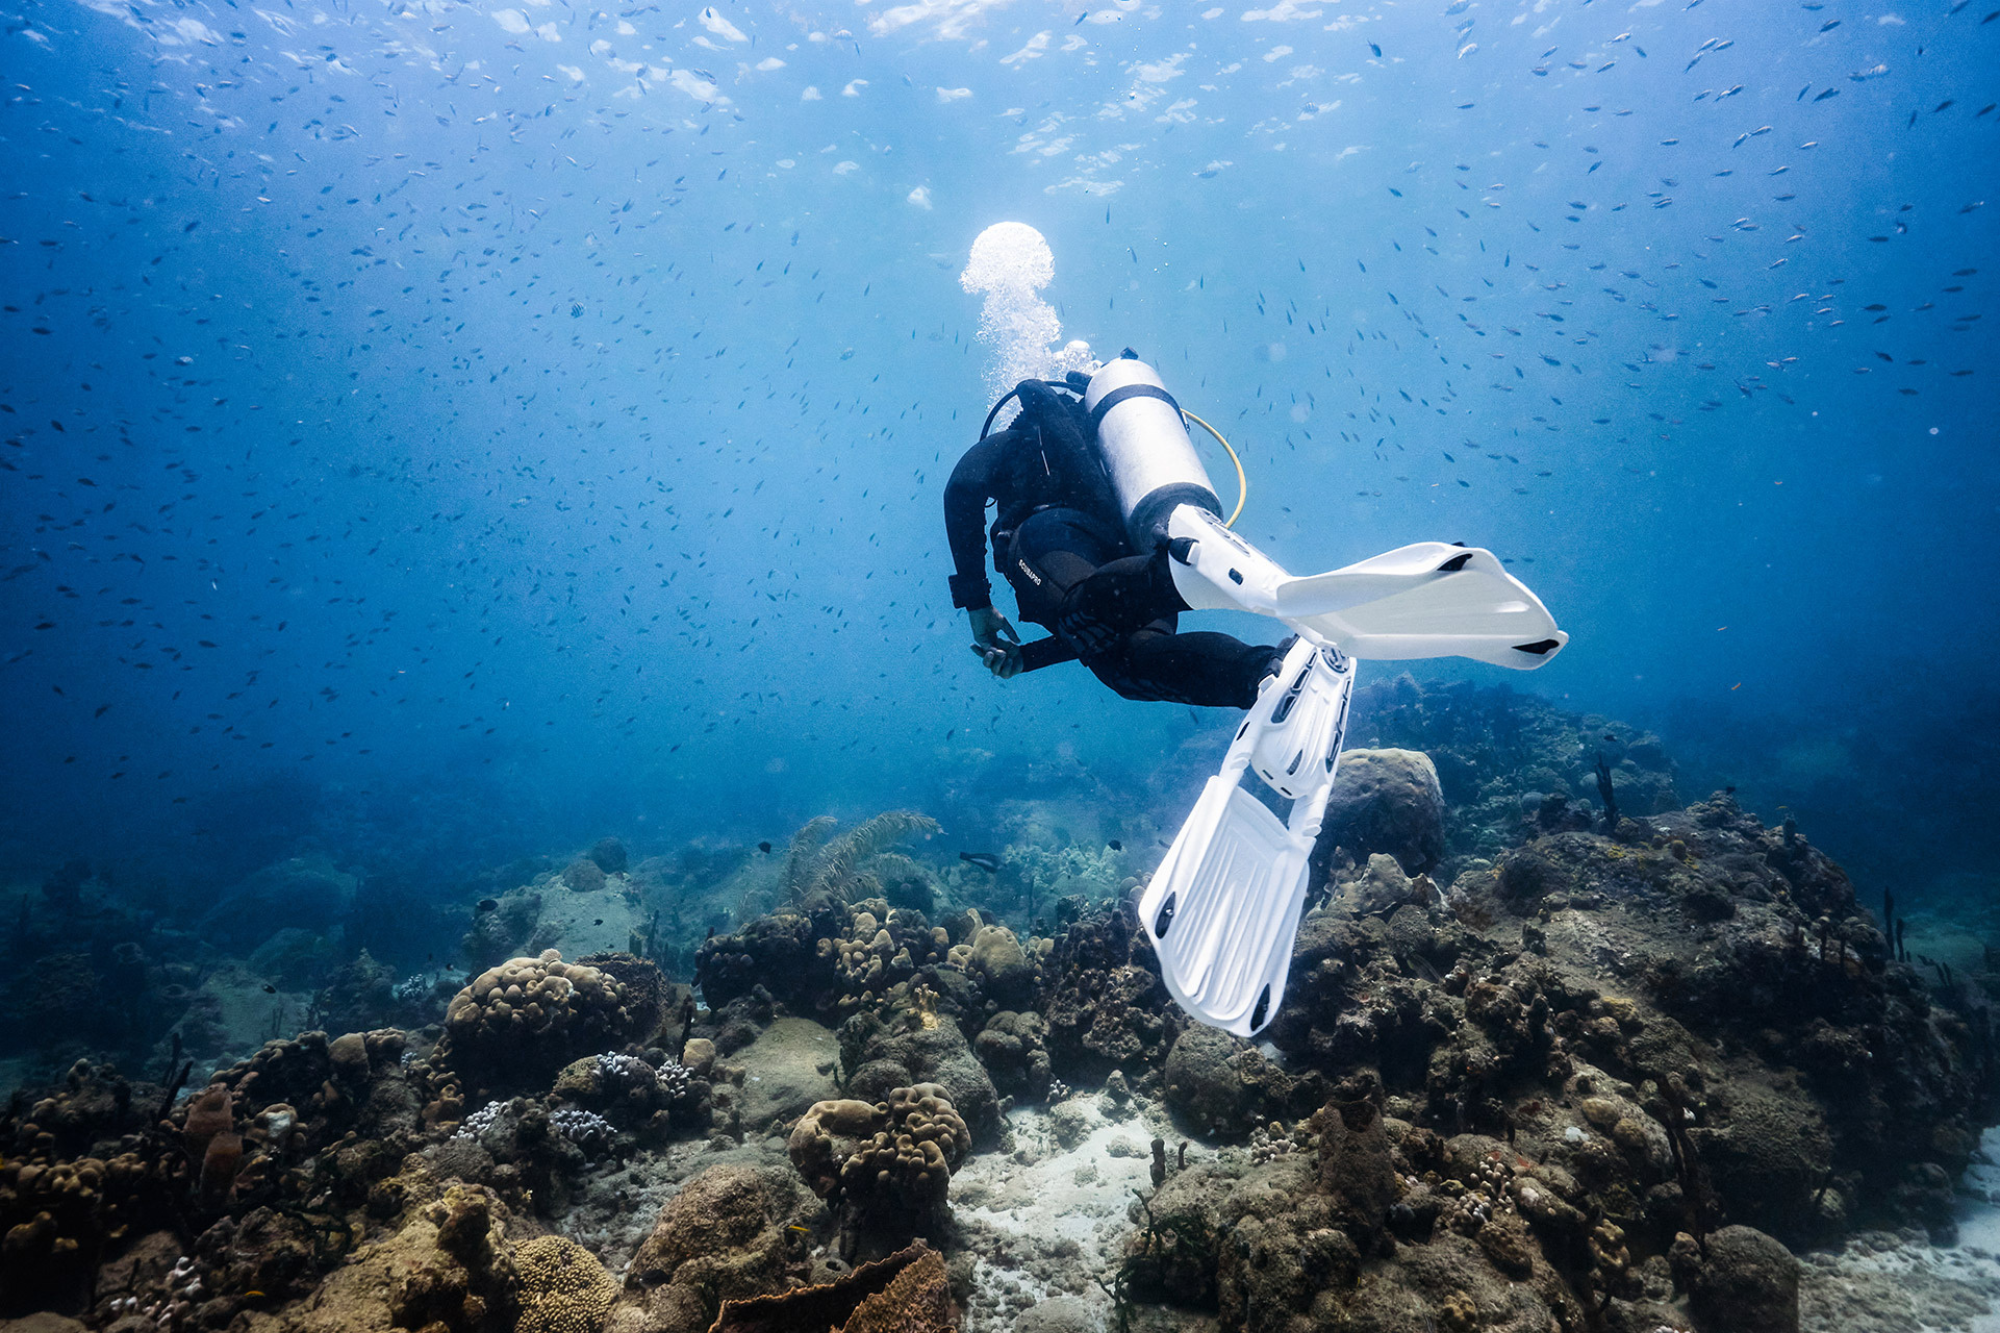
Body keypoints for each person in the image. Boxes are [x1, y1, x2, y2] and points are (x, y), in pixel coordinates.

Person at [943, 376, 1282, 708]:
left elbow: (962, 488)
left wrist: (977, 603)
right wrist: (1028, 658)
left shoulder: (1020, 441)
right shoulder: (1106, 458)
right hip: (1130, 558)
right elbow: (1094, 628)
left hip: (1053, 534)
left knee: (1092, 625)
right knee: (1131, 664)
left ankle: (1190, 576)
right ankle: (1265, 675)